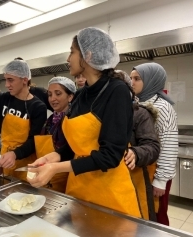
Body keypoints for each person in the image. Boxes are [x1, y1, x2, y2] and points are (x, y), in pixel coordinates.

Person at [27, 27, 142, 218]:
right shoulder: (80, 95)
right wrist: (52, 158)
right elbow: (76, 147)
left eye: (72, 52)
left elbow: (110, 156)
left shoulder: (117, 91)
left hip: (109, 194)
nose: (68, 58)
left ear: (87, 55)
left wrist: (56, 168)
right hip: (79, 188)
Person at [130, 62, 178, 225]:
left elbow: (168, 145)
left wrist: (161, 180)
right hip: (141, 167)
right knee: (143, 212)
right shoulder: (135, 103)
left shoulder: (164, 107)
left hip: (157, 172)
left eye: (137, 78)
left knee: (158, 215)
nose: (132, 82)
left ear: (151, 80)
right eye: (131, 78)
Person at [117, 69, 160, 221]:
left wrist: (135, 153)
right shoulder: (100, 115)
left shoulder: (139, 114)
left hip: (135, 181)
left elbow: (153, 147)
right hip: (111, 184)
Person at [34, 76, 76, 193]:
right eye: (50, 94)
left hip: (67, 176)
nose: (53, 99)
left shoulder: (73, 119)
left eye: (58, 94)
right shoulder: (49, 120)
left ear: (70, 96)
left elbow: (72, 150)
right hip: (48, 174)